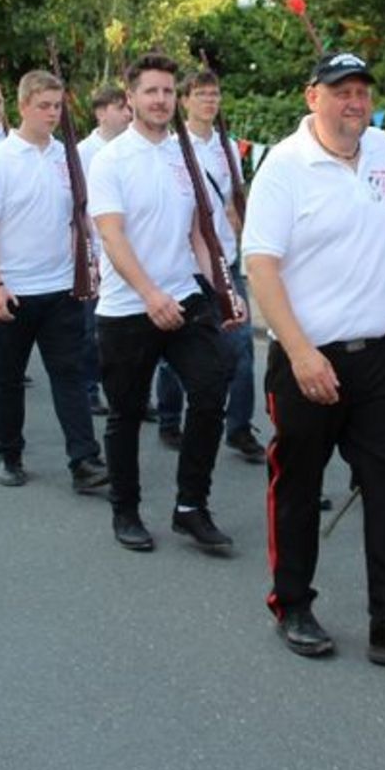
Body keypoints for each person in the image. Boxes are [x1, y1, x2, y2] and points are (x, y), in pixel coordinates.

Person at [244, 52, 385, 673]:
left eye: (362, 91)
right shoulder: (284, 166)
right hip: (308, 358)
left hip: (381, 355)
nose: (355, 102)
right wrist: (300, 352)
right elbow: (261, 266)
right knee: (299, 485)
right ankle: (292, 604)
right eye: (342, 91)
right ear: (313, 96)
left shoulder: (384, 151)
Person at [88, 54, 237, 553]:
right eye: (151, 91)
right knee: (126, 413)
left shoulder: (184, 156)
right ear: (130, 97)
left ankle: (191, 506)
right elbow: (112, 236)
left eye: (168, 92)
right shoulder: (110, 160)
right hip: (127, 308)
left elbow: (198, 233)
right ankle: (125, 510)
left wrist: (222, 290)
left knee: (211, 390)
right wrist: (150, 294)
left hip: (185, 297)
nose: (161, 100)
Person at [0, 71, 108, 494]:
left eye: (57, 106)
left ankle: (84, 459)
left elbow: (81, 216)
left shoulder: (68, 157)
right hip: (11, 290)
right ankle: (9, 454)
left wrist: (93, 261)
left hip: (61, 288)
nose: (52, 113)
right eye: (44, 106)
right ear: (23, 106)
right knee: (7, 377)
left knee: (69, 374)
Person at [151, 68, 262, 463]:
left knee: (242, 346)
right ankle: (169, 418)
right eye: (201, 94)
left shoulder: (228, 147)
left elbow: (232, 200)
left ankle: (239, 427)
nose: (209, 101)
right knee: (176, 347)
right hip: (183, 264)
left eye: (214, 94)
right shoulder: (171, 148)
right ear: (184, 101)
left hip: (224, 259)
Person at [74, 84, 131, 417]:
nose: (127, 114)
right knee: (91, 329)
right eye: (119, 107)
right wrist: (87, 251)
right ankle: (89, 388)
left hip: (126, 251)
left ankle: (129, 390)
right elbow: (79, 205)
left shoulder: (131, 148)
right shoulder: (84, 151)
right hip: (95, 249)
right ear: (101, 113)